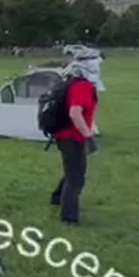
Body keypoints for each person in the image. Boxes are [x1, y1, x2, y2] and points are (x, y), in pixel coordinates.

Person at [49, 59, 98, 224]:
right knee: (76, 177)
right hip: (72, 136)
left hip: (64, 134)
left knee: (72, 170)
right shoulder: (82, 86)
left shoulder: (70, 83)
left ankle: (57, 198)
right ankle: (68, 216)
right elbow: (75, 113)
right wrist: (88, 134)